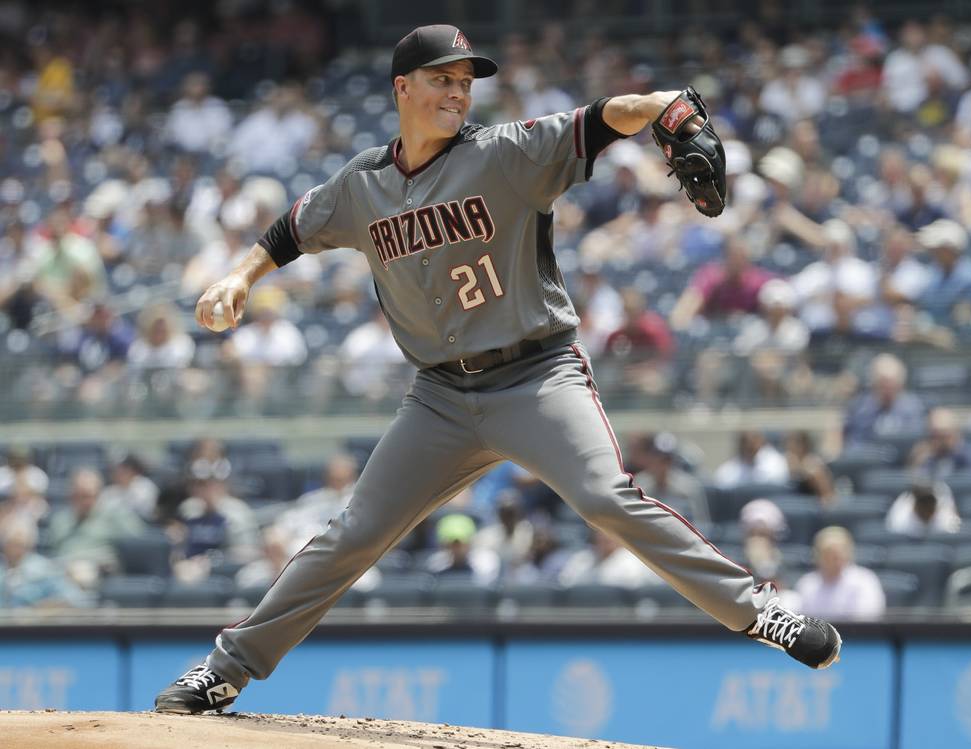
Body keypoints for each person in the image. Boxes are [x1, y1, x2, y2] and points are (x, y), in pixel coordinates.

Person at [156, 24, 840, 715]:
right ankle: (226, 668)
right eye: (442, 79)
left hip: (535, 376)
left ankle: (760, 611)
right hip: (439, 398)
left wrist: (665, 104)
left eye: (464, 81)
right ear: (403, 87)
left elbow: (603, 119)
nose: (458, 92)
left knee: (607, 497)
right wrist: (239, 276)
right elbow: (291, 230)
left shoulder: (506, 153)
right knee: (354, 531)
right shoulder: (363, 184)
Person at [795, 527, 885, 621]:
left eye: (837, 555)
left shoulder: (865, 580)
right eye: (827, 555)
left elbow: (866, 621)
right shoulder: (807, 583)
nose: (833, 560)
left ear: (848, 553)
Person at [842, 353, 927, 446]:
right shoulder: (860, 407)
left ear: (901, 386)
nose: (887, 391)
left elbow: (916, 442)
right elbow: (855, 441)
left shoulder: (913, 407)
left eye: (892, 386)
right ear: (874, 385)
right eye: (882, 386)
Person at [713, 431, 790, 489]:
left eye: (753, 442)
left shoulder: (776, 462)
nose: (749, 446)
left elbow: (777, 486)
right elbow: (721, 482)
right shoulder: (728, 469)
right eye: (745, 442)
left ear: (761, 442)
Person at [885, 479, 961, 537]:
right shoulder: (901, 519)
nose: (927, 509)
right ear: (916, 504)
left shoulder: (945, 517)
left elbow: (955, 532)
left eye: (930, 503)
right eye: (924, 504)